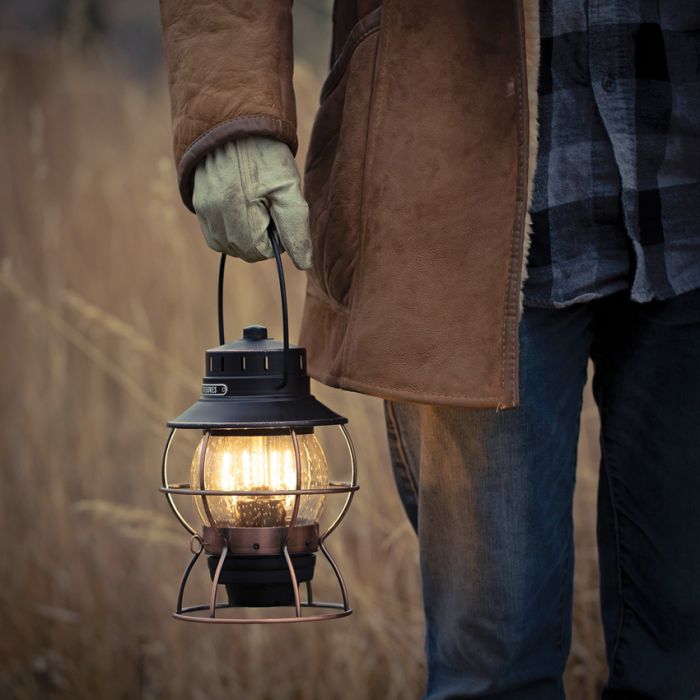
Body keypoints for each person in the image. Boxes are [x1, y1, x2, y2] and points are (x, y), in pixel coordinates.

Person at [159, 2, 700, 697]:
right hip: (448, 191)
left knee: (684, 664)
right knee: (495, 670)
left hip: (681, 177)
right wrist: (230, 105)